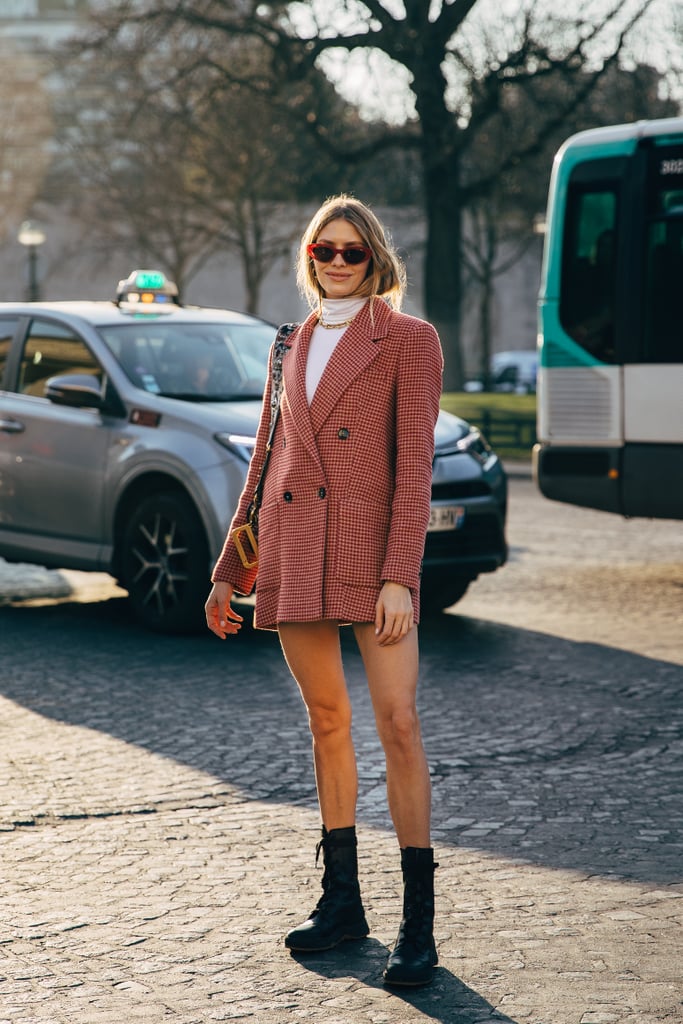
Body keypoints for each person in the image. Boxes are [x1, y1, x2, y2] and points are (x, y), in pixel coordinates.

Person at [205, 195, 444, 987]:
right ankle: (342, 902)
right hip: (294, 542)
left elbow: (414, 468)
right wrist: (229, 570)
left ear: (375, 259)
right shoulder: (287, 345)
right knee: (326, 722)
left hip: (369, 553)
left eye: (352, 252)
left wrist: (399, 577)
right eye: (323, 251)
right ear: (307, 259)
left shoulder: (409, 340)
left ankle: (418, 924)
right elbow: (266, 457)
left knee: (398, 724)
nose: (337, 263)